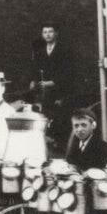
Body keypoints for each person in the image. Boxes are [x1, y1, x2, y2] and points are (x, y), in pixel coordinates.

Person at [29, 21, 74, 151]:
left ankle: (61, 145)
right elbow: (36, 69)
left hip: (60, 90)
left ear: (56, 33)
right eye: (45, 32)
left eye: (50, 32)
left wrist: (53, 82)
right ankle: (47, 144)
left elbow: (69, 72)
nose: (47, 34)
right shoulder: (40, 51)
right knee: (44, 115)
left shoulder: (64, 50)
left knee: (60, 117)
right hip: (45, 91)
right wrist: (34, 81)